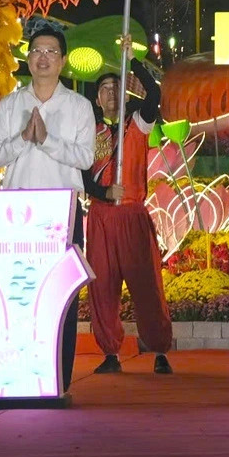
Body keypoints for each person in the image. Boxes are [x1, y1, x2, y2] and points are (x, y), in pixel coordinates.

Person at [0, 21, 100, 392]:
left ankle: (58, 380)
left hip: (62, 212)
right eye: (37, 51)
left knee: (61, 296)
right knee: (21, 295)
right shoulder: (11, 103)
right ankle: (19, 378)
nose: (43, 58)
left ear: (63, 61)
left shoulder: (79, 106)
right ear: (27, 57)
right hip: (18, 213)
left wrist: (48, 140)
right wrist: (23, 137)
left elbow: (85, 159)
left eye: (51, 52)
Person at [85, 58, 175, 375]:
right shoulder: (88, 132)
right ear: (97, 99)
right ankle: (111, 352)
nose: (110, 94)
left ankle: (159, 349)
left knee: (146, 283)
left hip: (133, 215)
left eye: (116, 88)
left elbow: (155, 94)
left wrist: (132, 62)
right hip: (100, 218)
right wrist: (101, 194)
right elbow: (81, 175)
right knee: (102, 285)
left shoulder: (137, 123)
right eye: (104, 89)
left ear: (125, 95)